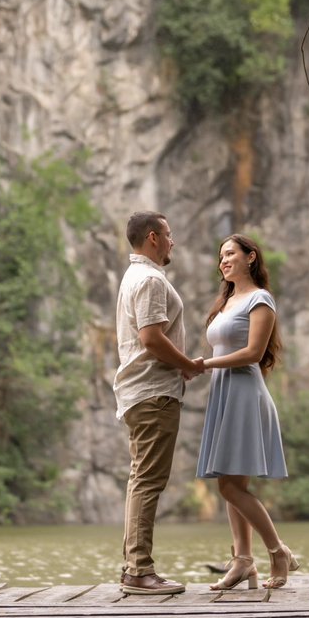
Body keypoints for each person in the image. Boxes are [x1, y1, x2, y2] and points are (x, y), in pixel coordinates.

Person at [195, 232, 298, 592]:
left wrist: (204, 364)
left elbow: (254, 352)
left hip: (243, 392)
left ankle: (277, 551)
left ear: (250, 257)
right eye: (220, 256)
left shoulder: (260, 299)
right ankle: (243, 562)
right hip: (224, 391)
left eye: (230, 254)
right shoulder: (226, 301)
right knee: (230, 482)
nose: (223, 261)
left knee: (229, 486)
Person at [114, 210, 204, 596]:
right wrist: (187, 365)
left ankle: (134, 567)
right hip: (153, 391)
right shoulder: (150, 279)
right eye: (168, 234)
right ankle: (138, 570)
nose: (173, 241)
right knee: (148, 481)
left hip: (142, 391)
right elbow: (151, 338)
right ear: (152, 238)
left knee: (141, 479)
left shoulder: (135, 276)